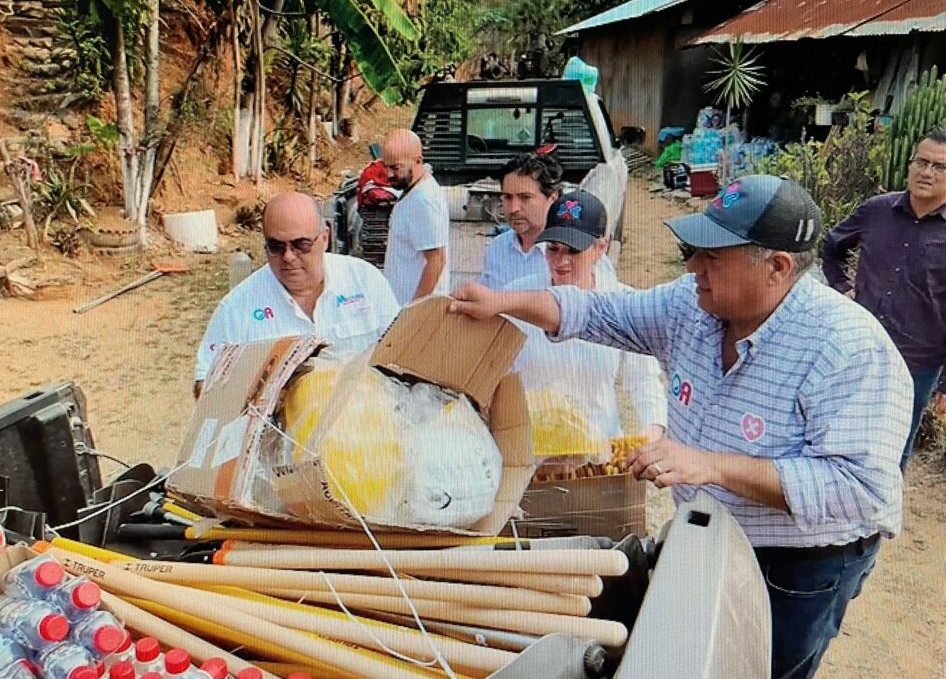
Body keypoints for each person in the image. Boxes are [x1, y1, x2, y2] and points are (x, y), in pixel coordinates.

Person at [449, 174, 912, 679]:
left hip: (798, 564)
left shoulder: (848, 349)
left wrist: (708, 465)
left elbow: (861, 490)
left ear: (777, 267)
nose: (693, 266)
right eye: (695, 251)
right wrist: (504, 303)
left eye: (712, 257)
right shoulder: (692, 305)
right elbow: (599, 311)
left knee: (767, 669)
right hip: (707, 538)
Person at [822, 126, 946, 470]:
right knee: (838, 433)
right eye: (921, 162)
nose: (927, 173)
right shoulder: (876, 211)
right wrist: (841, 289)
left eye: (940, 167)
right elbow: (831, 246)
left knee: (895, 448)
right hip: (859, 347)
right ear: (910, 164)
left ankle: (881, 522)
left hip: (918, 363)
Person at [194, 192, 399, 398]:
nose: (288, 257)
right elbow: (204, 387)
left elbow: (400, 354)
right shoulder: (236, 309)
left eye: (301, 245)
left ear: (325, 238)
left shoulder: (365, 281)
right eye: (276, 247)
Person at [507, 189, 666, 454]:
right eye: (553, 249)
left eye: (573, 251)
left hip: (598, 454)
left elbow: (644, 380)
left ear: (601, 247)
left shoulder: (623, 304)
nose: (561, 261)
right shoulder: (518, 299)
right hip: (534, 457)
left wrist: (653, 427)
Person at [381, 129, 450, 304]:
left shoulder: (423, 200)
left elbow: (436, 260)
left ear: (418, 161)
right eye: (386, 167)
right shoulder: (413, 191)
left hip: (417, 313)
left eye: (395, 167)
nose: (388, 174)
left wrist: (413, 310)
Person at [476, 151, 562, 290]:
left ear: (552, 198)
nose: (514, 208)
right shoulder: (497, 248)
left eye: (525, 197)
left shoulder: (572, 255)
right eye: (508, 197)